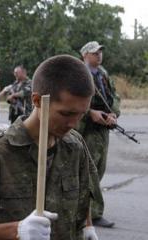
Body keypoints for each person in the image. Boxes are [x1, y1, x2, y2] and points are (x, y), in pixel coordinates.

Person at [0, 55, 100, 240]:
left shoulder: (75, 147)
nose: (74, 123)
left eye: (81, 114)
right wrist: (17, 230)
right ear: (37, 101)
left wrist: (87, 227)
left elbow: (83, 201)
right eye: (66, 113)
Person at [77, 41, 120, 228]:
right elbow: (72, 101)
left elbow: (115, 97)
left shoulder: (103, 74)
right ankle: (93, 214)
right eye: (95, 53)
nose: (99, 55)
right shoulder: (79, 74)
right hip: (86, 128)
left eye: (100, 52)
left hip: (103, 127)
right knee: (90, 171)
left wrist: (113, 114)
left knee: (99, 168)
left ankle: (85, 209)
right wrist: (90, 113)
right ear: (85, 55)